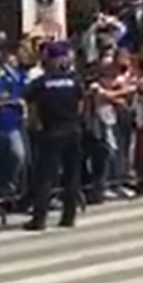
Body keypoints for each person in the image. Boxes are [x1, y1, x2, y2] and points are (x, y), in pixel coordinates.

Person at [24, 41, 84, 231]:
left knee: (45, 177)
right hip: (72, 130)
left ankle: (39, 219)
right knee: (71, 176)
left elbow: (32, 110)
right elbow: (81, 106)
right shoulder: (74, 80)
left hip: (51, 132)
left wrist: (35, 127)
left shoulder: (40, 83)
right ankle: (69, 216)